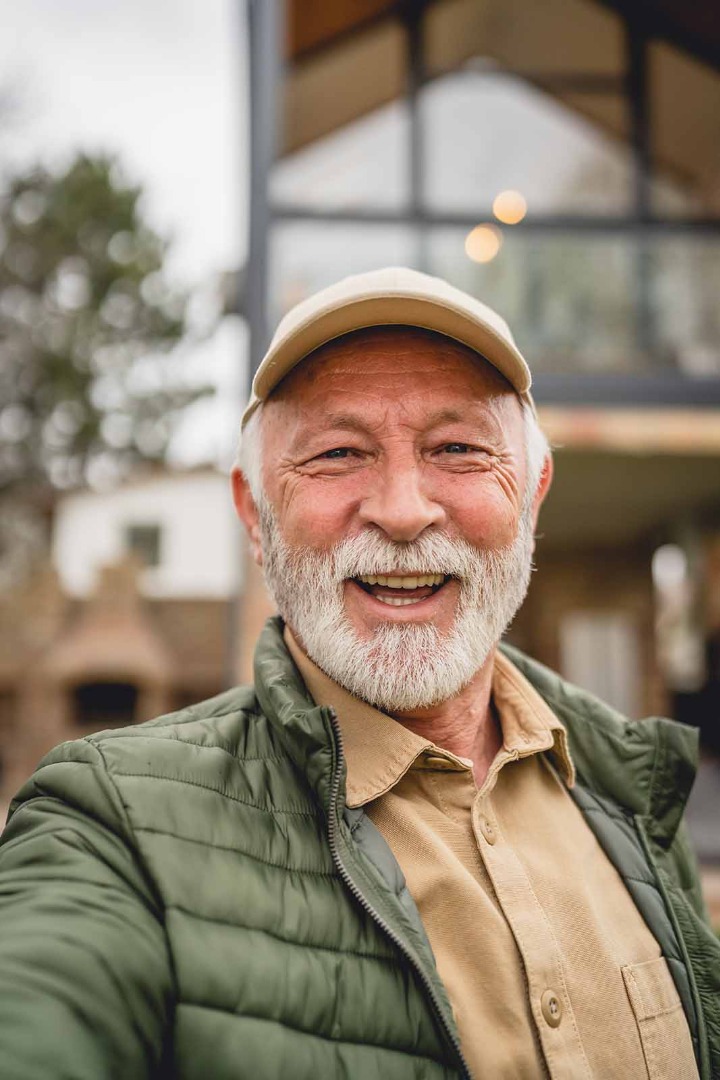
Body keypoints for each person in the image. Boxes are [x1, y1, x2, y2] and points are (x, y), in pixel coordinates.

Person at [0, 267, 718, 1079]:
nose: (405, 510)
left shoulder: (637, 791)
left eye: (457, 449)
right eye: (339, 454)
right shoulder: (113, 825)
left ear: (532, 495)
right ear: (254, 514)